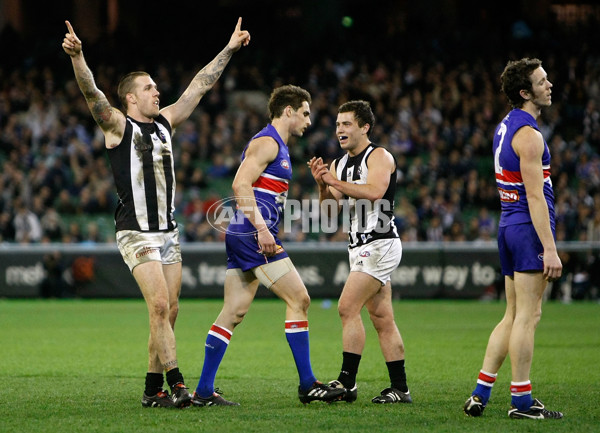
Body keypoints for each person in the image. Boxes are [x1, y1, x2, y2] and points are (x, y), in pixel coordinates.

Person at [62, 18, 250, 408]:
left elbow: (200, 85)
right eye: (148, 88)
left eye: (155, 87)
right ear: (130, 98)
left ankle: (152, 390)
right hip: (136, 231)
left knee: (169, 310)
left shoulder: (166, 123)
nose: (156, 91)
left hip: (168, 231)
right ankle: (178, 385)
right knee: (160, 306)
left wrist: (229, 49)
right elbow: (91, 93)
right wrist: (79, 58)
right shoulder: (117, 126)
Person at [192, 85, 344, 406]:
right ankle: (307, 384)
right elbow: (239, 184)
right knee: (300, 299)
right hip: (251, 233)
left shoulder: (281, 149)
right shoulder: (267, 142)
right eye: (305, 112)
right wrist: (262, 229)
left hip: (243, 233)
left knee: (234, 312)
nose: (308, 119)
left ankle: (203, 391)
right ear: (288, 111)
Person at [463, 58, 563, 420]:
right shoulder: (530, 136)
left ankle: (480, 392)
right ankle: (521, 401)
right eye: (541, 81)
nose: (549, 84)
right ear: (525, 93)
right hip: (527, 230)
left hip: (509, 226)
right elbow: (535, 196)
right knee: (529, 315)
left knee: (511, 314)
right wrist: (549, 248)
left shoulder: (506, 127)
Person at [308, 100, 412, 404]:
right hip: (358, 246)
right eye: (338, 124)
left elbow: (374, 192)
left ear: (365, 127)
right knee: (382, 318)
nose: (340, 129)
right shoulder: (339, 164)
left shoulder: (379, 156)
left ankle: (347, 383)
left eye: (347, 124)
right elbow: (329, 215)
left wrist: (334, 181)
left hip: (380, 243)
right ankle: (400, 388)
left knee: (346, 307)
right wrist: (322, 187)